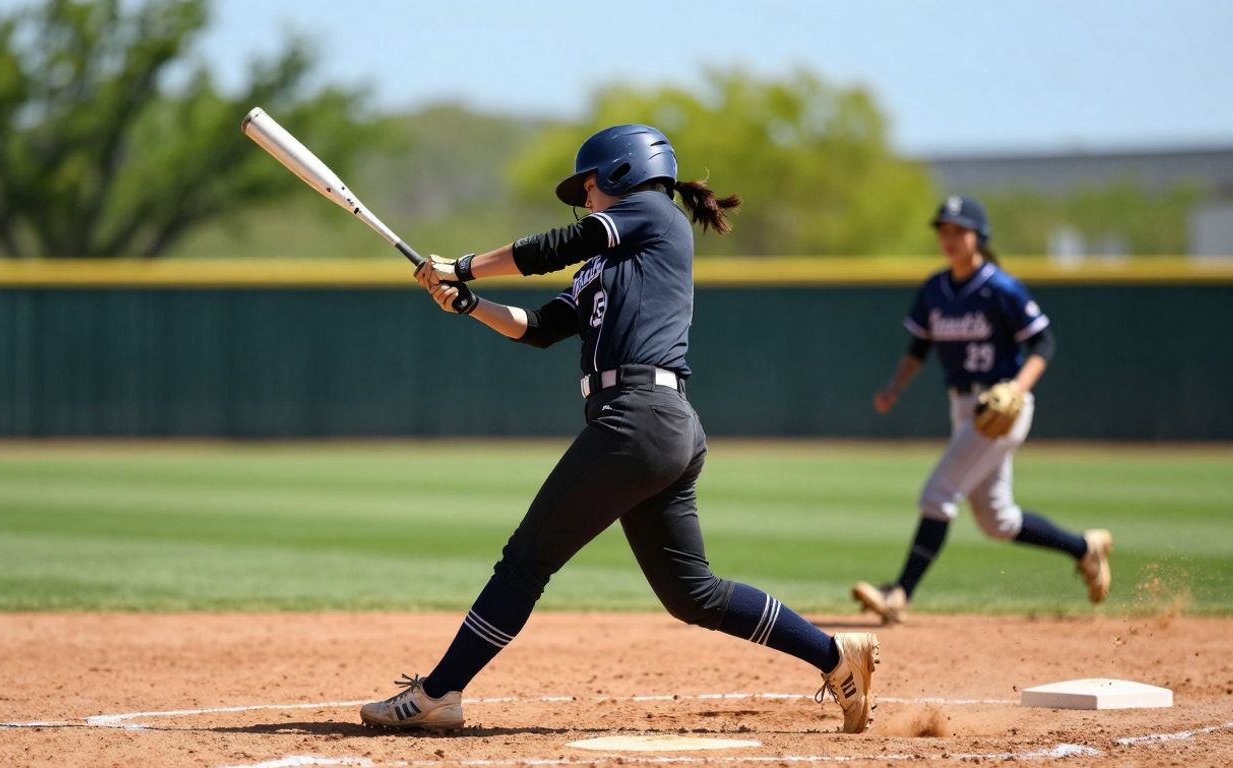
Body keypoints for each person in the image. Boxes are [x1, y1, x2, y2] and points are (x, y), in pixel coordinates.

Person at [359, 124, 880, 734]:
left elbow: (559, 242)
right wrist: (467, 303)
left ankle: (439, 693)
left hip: (639, 416)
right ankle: (834, 656)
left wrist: (465, 266)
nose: (585, 198)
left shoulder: (655, 215)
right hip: (657, 426)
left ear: (625, 172)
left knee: (524, 563)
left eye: (589, 184)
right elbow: (541, 327)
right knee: (694, 595)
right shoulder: (605, 266)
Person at [851, 195, 1113, 625]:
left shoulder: (1001, 287)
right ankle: (1085, 549)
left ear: (979, 237)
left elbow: (1043, 342)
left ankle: (900, 592)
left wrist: (1017, 386)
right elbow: (919, 346)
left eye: (959, 231)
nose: (949, 238)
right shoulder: (935, 288)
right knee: (997, 520)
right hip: (962, 405)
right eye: (943, 230)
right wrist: (894, 386)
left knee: (938, 493)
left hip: (1001, 407)